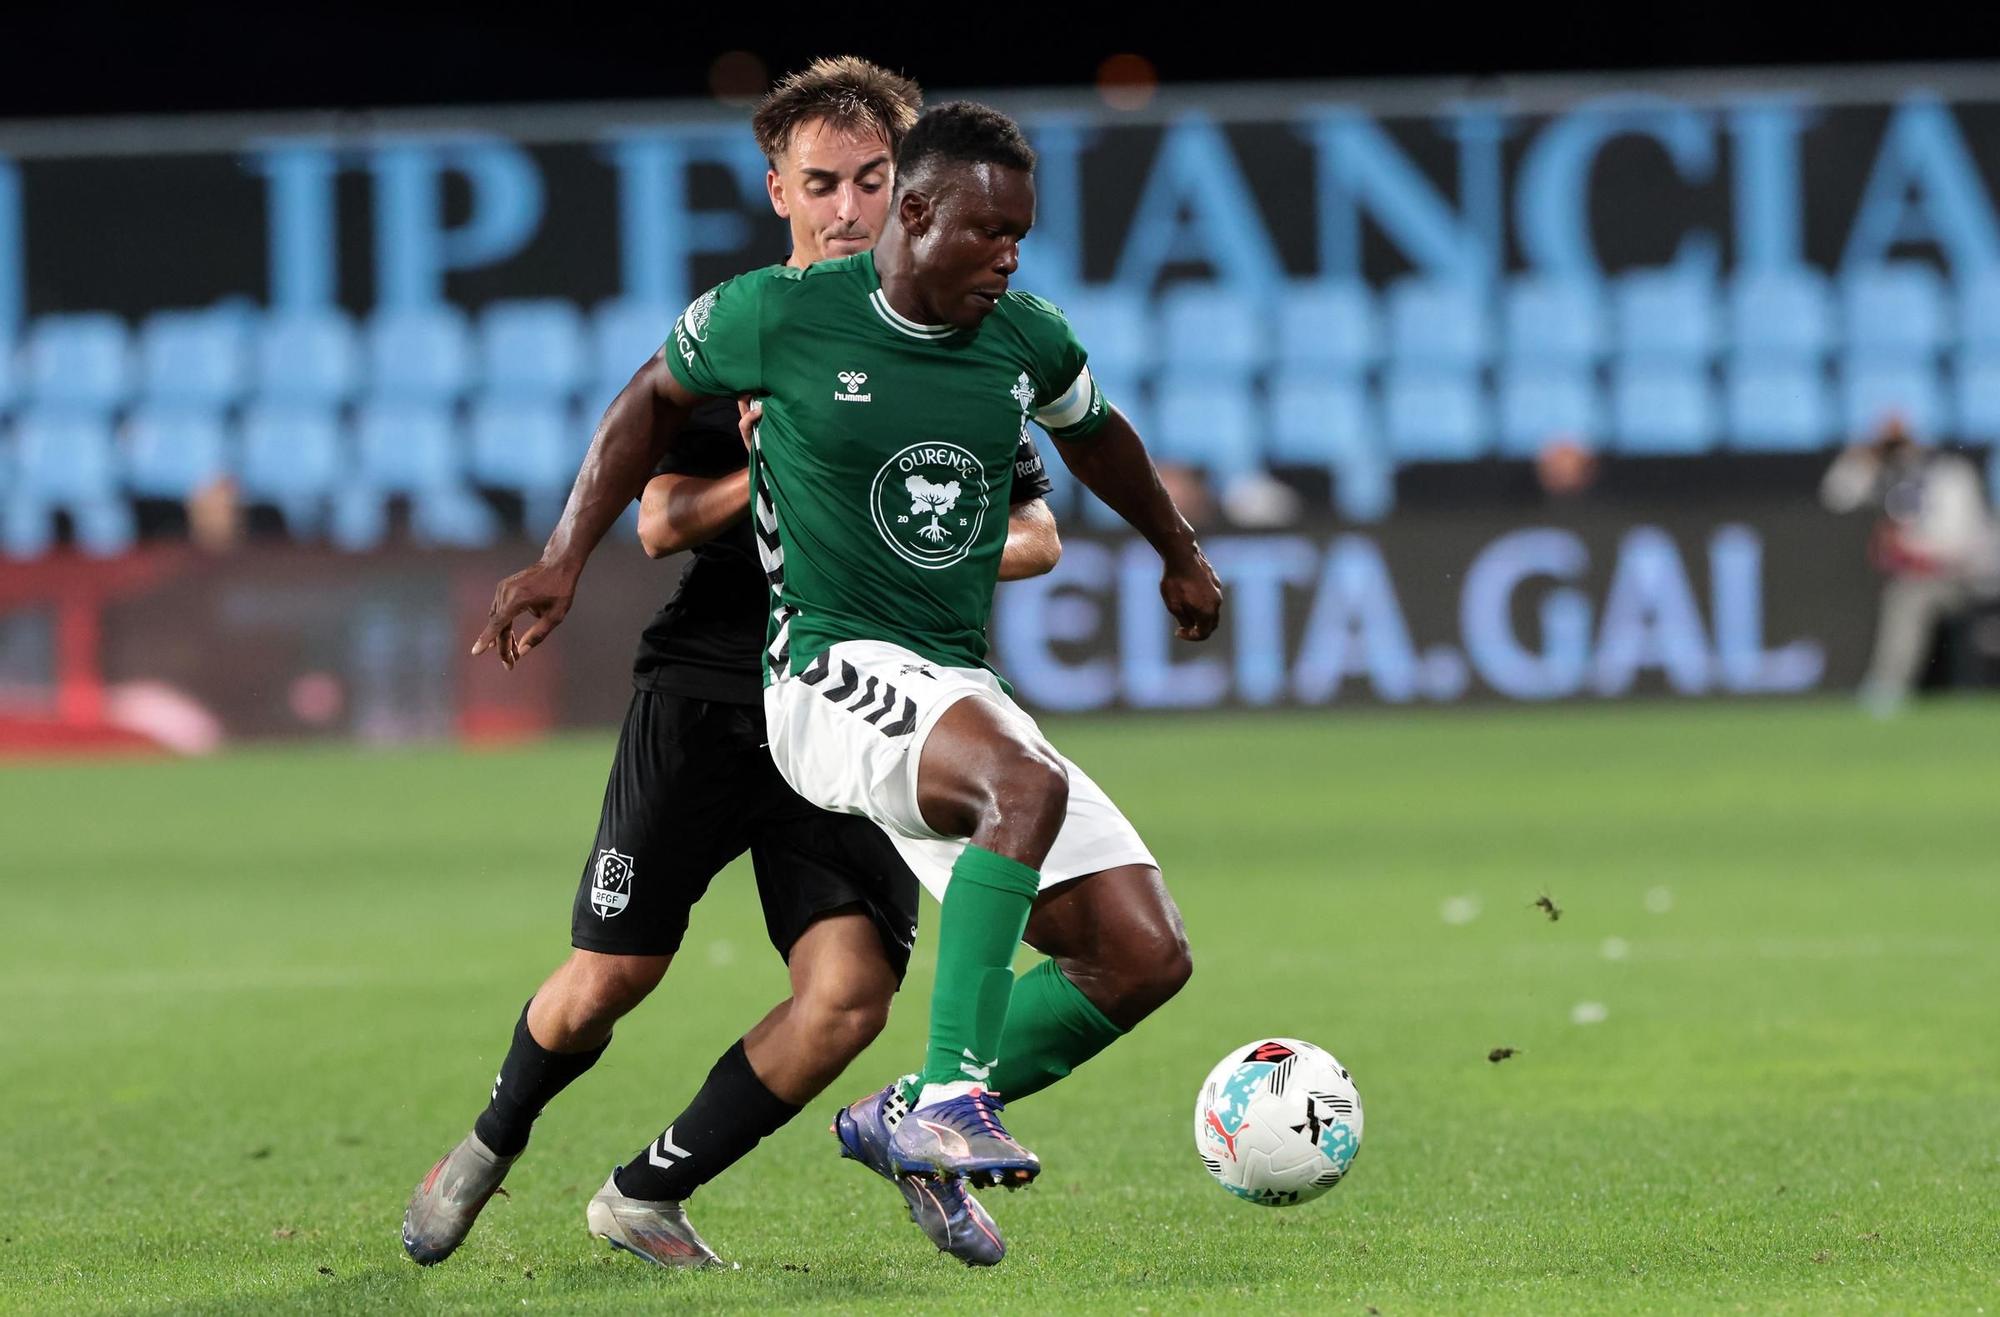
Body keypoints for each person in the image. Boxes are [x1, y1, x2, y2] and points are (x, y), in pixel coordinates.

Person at [403, 57, 1063, 1272]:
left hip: (873, 694)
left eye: (873, 179)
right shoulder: (754, 325)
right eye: (822, 183)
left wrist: (908, 525)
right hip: (711, 687)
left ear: (911, 187)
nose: (848, 208)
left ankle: (646, 1194)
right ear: (777, 191)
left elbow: (1037, 530)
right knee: (610, 978)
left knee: (848, 999)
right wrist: (765, 472)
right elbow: (656, 515)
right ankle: (490, 1142)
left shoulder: (960, 335)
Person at [650, 101, 1221, 1210]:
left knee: (1140, 954)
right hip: (820, 670)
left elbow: (1094, 432)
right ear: (916, 213)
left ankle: (906, 1108)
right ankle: (953, 1097)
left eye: (1021, 234)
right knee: (1022, 783)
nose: (1009, 255)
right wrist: (560, 560)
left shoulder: (1021, 335)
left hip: (948, 677)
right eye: (989, 231)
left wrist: (1177, 549)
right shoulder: (789, 316)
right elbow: (650, 410)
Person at [1820, 415, 2000, 714]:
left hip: (1972, 576)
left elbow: (1962, 543)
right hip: (1933, 576)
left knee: (1908, 598)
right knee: (1908, 592)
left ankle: (1887, 690)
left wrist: (1915, 552)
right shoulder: (1896, 478)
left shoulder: (1951, 476)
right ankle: (1888, 690)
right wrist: (1867, 453)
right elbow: (1837, 494)